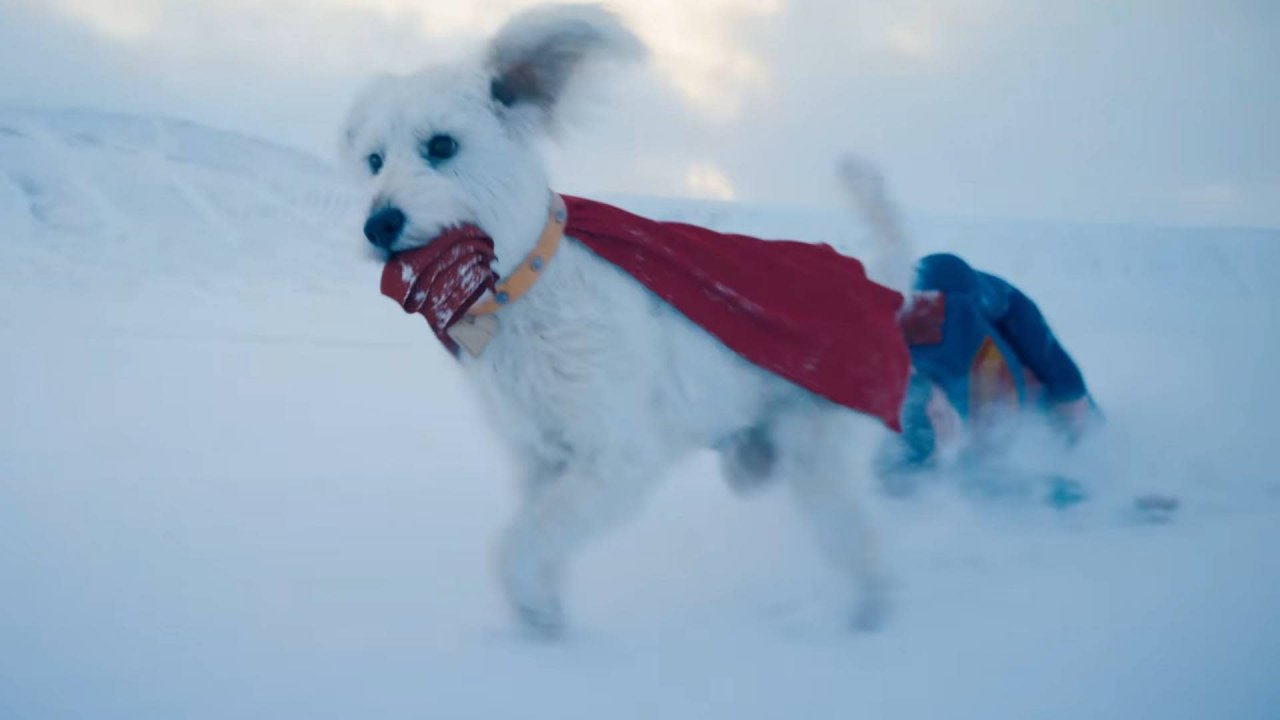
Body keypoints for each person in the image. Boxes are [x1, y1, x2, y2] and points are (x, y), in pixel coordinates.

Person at [882, 253, 1098, 504]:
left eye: (941, 420)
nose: (945, 429)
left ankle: (1100, 472)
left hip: (1003, 309)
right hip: (930, 319)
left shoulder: (985, 371)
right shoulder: (887, 381)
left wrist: (1075, 443)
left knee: (1060, 391)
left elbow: (999, 475)